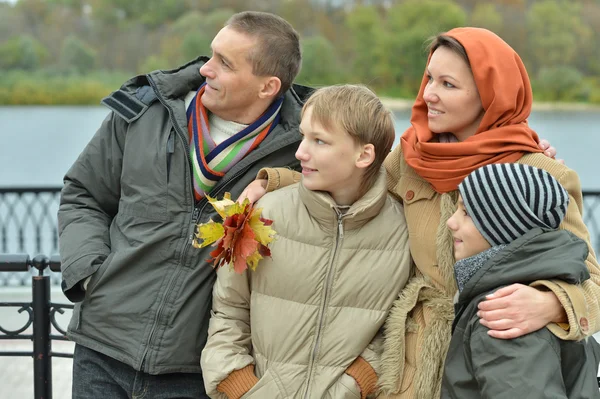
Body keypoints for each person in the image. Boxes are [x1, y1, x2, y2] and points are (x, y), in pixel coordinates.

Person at [239, 27, 600, 398]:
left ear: (491, 94)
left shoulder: (540, 173)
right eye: (429, 78)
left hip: (496, 365)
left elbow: (592, 282)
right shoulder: (412, 158)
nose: (429, 94)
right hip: (408, 365)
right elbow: (353, 179)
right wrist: (276, 182)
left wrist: (551, 304)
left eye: (448, 84)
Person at [57, 11, 309, 399]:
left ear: (267, 86)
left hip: (201, 370)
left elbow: (359, 193)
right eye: (211, 54)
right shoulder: (144, 112)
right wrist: (92, 275)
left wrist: (282, 178)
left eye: (225, 63)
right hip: (103, 349)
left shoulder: (303, 149)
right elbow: (83, 193)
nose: (206, 69)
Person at [201, 84, 412, 399]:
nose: (300, 152)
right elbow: (228, 310)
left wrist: (351, 387)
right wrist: (242, 389)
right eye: (304, 136)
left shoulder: (403, 232)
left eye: (319, 141)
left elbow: (395, 330)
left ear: (364, 154)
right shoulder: (262, 213)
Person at [441, 162, 600, 399]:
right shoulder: (534, 282)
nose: (450, 222)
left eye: (466, 213)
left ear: (502, 227)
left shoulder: (505, 312)